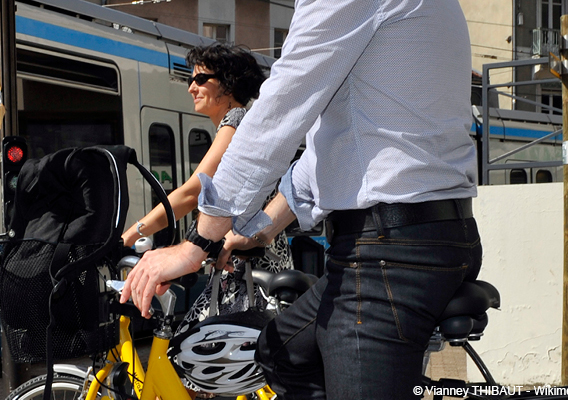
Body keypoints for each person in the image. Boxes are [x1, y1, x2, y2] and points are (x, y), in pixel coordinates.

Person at [119, 1, 481, 398]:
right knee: (281, 354)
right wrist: (256, 229)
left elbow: (280, 110)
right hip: (429, 237)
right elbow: (332, 153)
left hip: (388, 257)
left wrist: (197, 244)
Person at [120, 43, 290, 324]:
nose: (191, 87)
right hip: (243, 262)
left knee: (200, 348)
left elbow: (190, 193)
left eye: (201, 79)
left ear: (228, 84)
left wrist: (130, 235)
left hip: (249, 267)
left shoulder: (236, 121)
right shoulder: (236, 124)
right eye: (190, 79)